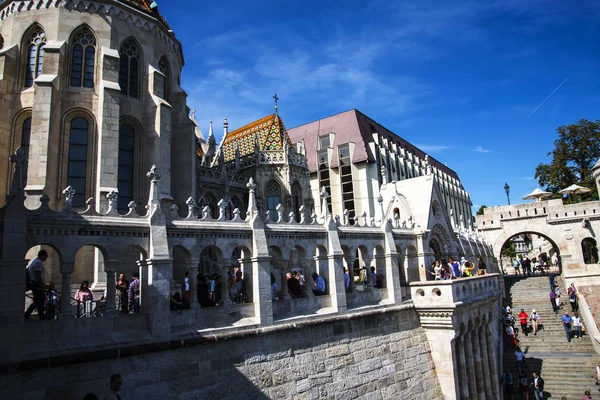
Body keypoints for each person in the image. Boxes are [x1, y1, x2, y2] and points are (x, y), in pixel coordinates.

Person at [24, 249, 48, 321]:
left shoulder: (34, 261)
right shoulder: (38, 263)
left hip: (34, 284)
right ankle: (29, 314)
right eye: (45, 256)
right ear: (42, 255)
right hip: (37, 285)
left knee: (39, 300)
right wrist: (42, 285)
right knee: (39, 300)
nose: (46, 258)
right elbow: (38, 275)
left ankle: (41, 316)